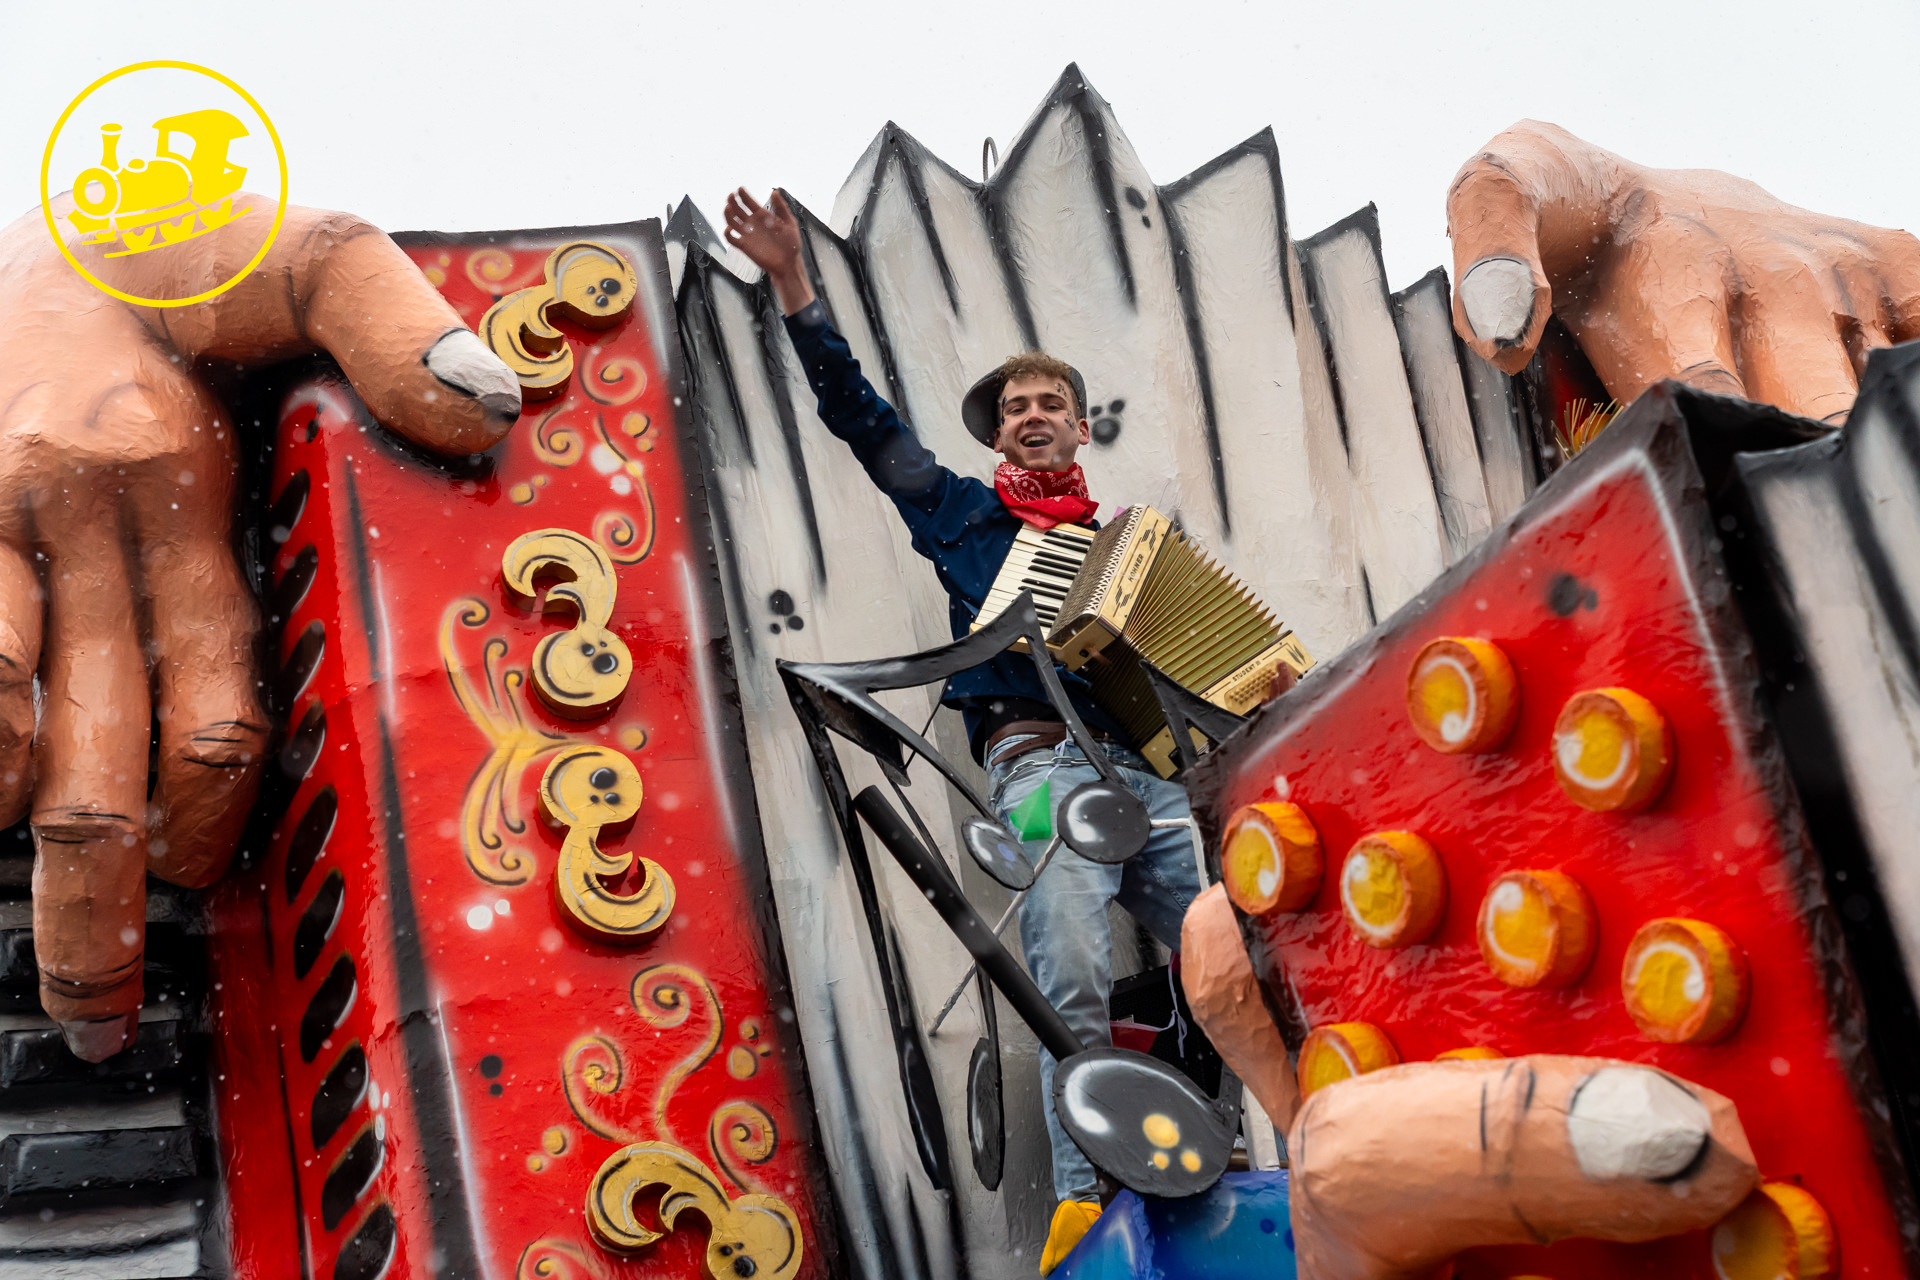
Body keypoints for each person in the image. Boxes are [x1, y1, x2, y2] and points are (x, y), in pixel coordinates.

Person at [724, 187, 1205, 1271]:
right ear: (995, 433)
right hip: (1036, 774)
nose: (1032, 414)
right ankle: (1084, 1204)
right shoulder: (960, 515)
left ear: (1079, 427)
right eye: (1015, 406)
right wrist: (794, 283)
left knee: (1238, 950)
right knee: (1067, 970)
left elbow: (1186, 678)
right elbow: (862, 419)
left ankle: (1257, 1140)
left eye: (1051, 402)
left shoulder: (1126, 549)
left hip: (1150, 779)